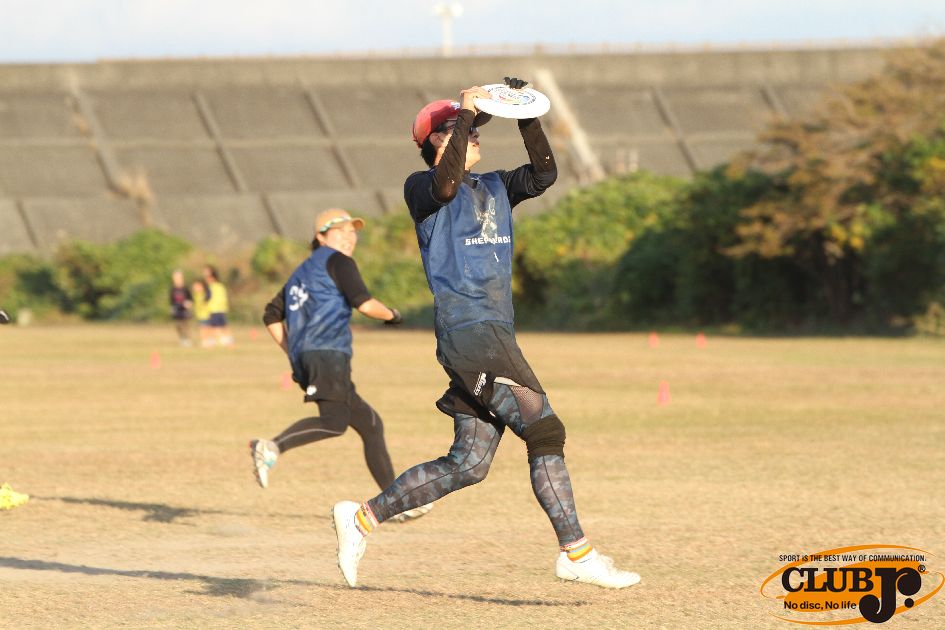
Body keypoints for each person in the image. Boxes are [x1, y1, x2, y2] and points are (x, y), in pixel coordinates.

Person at [330, 78, 640, 589]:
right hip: (468, 333)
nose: (474, 135)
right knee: (544, 430)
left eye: (474, 128)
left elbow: (544, 174)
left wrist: (526, 113)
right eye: (462, 129)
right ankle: (576, 553)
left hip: (494, 333)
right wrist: (467, 111)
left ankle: (360, 518)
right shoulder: (421, 188)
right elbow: (445, 185)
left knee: (469, 463)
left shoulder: (496, 185)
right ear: (436, 139)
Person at [250, 208, 432, 522]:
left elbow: (270, 314)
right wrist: (393, 315)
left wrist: (294, 351)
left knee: (371, 424)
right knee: (334, 422)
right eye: (340, 231)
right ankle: (272, 447)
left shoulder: (302, 271)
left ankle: (395, 503)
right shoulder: (339, 262)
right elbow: (365, 304)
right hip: (328, 356)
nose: (350, 237)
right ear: (321, 237)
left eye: (353, 231)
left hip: (315, 357)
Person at [203, 265, 233, 346]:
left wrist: (204, 303)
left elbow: (207, 298)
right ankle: (227, 339)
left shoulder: (211, 287)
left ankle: (219, 340)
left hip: (214, 309)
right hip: (222, 309)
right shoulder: (220, 286)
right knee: (223, 325)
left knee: (215, 326)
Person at [169, 270, 193, 346]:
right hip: (177, 309)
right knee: (178, 325)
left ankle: (187, 339)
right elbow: (171, 300)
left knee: (185, 324)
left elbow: (190, 298)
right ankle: (182, 338)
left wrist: (189, 303)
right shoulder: (173, 289)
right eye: (175, 277)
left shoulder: (185, 288)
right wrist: (171, 308)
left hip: (184, 309)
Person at [191, 279, 213, 347]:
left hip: (205, 314)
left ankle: (208, 340)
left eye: (197, 286)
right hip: (199, 315)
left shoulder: (205, 294)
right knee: (202, 328)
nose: (195, 288)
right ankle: (204, 340)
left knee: (206, 328)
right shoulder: (195, 295)